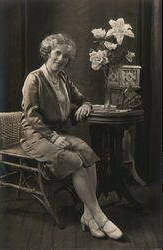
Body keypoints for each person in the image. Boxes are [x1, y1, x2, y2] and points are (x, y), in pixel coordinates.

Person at [20, 33, 123, 240]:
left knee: (89, 155)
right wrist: (54, 138)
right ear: (48, 52)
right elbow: (31, 116)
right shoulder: (34, 79)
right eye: (57, 53)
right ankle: (100, 216)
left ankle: (87, 216)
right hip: (35, 135)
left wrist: (85, 105)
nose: (61, 59)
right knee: (75, 161)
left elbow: (83, 98)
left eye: (66, 57)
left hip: (58, 132)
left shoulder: (64, 78)